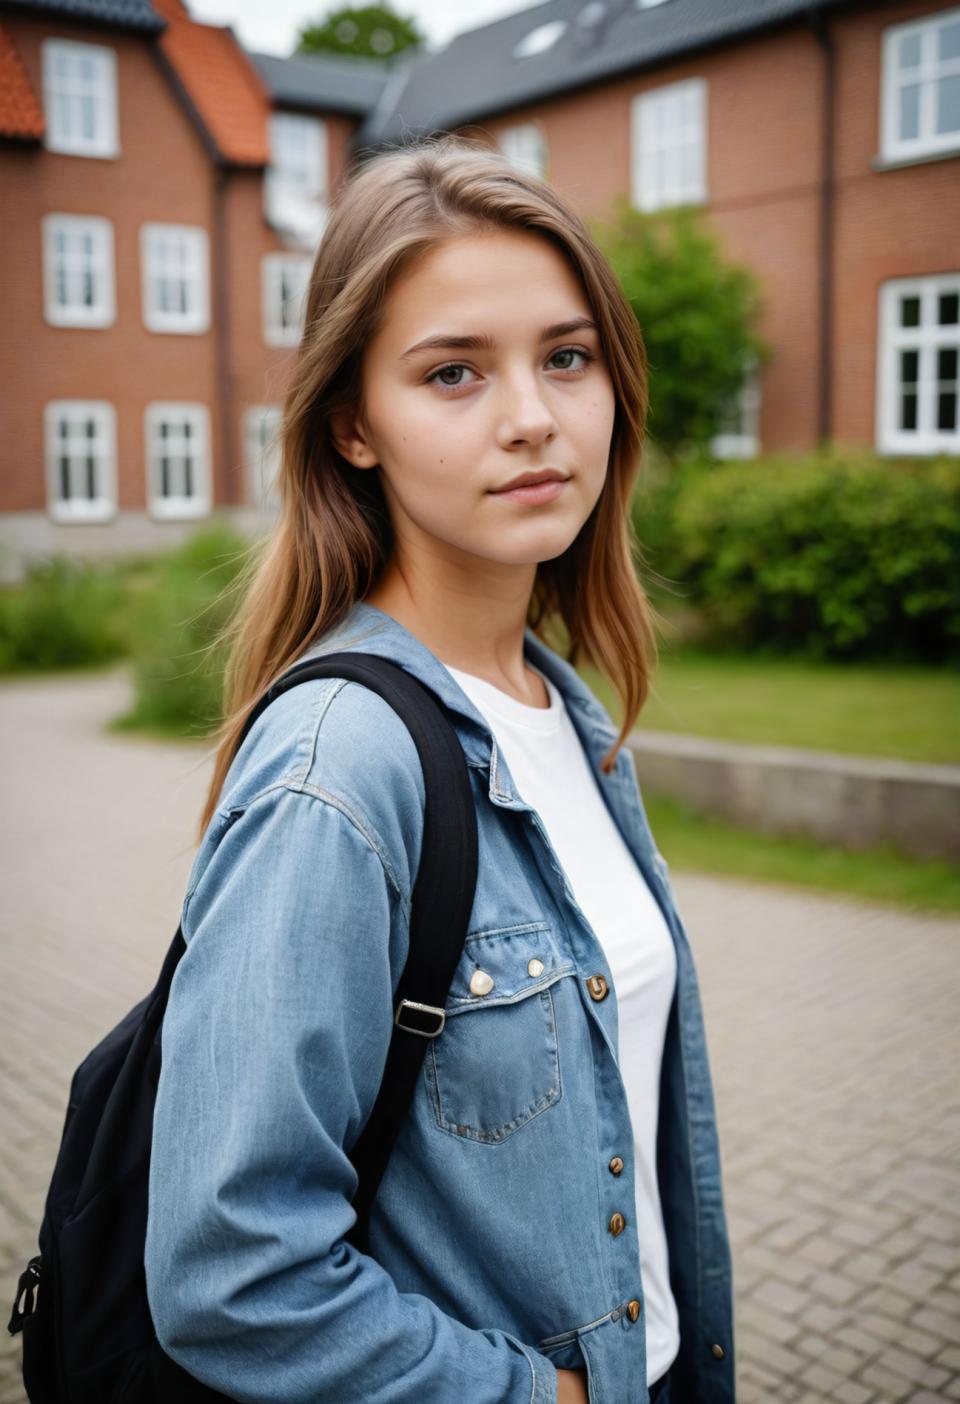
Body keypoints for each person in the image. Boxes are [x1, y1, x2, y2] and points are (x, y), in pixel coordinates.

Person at [145, 134, 735, 1403]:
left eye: (566, 356)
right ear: (353, 423)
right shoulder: (339, 771)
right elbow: (229, 1270)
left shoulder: (564, 719)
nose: (533, 418)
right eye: (454, 372)